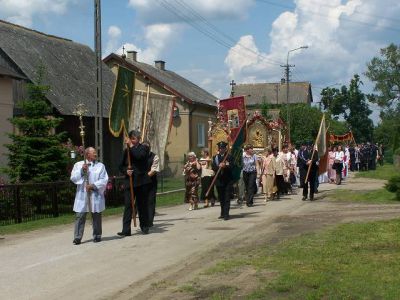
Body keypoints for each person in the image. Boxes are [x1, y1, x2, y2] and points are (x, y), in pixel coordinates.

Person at [70, 147, 108, 245]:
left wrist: (93, 185)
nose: (96, 154)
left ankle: (97, 235)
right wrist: (82, 171)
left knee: (96, 215)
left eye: (96, 152)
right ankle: (77, 237)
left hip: (94, 194)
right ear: (87, 155)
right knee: (80, 216)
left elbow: (104, 179)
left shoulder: (100, 166)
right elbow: (73, 178)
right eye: (93, 153)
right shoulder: (78, 165)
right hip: (82, 195)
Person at [118, 130, 152, 236]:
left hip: (141, 182)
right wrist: (126, 171)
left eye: (134, 139)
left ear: (139, 139)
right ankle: (126, 230)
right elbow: (120, 166)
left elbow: (139, 157)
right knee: (128, 205)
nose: (132, 141)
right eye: (131, 139)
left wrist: (131, 147)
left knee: (142, 205)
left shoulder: (144, 148)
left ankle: (145, 226)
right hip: (130, 182)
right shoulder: (126, 150)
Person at [212, 141, 234, 220]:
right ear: (219, 149)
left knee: (227, 197)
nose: (222, 149)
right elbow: (213, 167)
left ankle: (226, 214)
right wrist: (219, 166)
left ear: (225, 149)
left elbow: (232, 166)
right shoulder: (215, 157)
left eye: (223, 148)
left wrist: (225, 165)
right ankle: (222, 213)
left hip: (227, 180)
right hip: (219, 180)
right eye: (220, 148)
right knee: (221, 198)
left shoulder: (229, 157)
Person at [142, 141, 160, 227]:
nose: (145, 148)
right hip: (141, 183)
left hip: (151, 182)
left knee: (150, 201)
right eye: (143, 146)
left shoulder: (154, 156)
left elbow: (154, 170)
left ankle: (149, 221)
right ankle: (144, 220)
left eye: (146, 147)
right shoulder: (139, 156)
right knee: (142, 202)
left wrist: (143, 177)